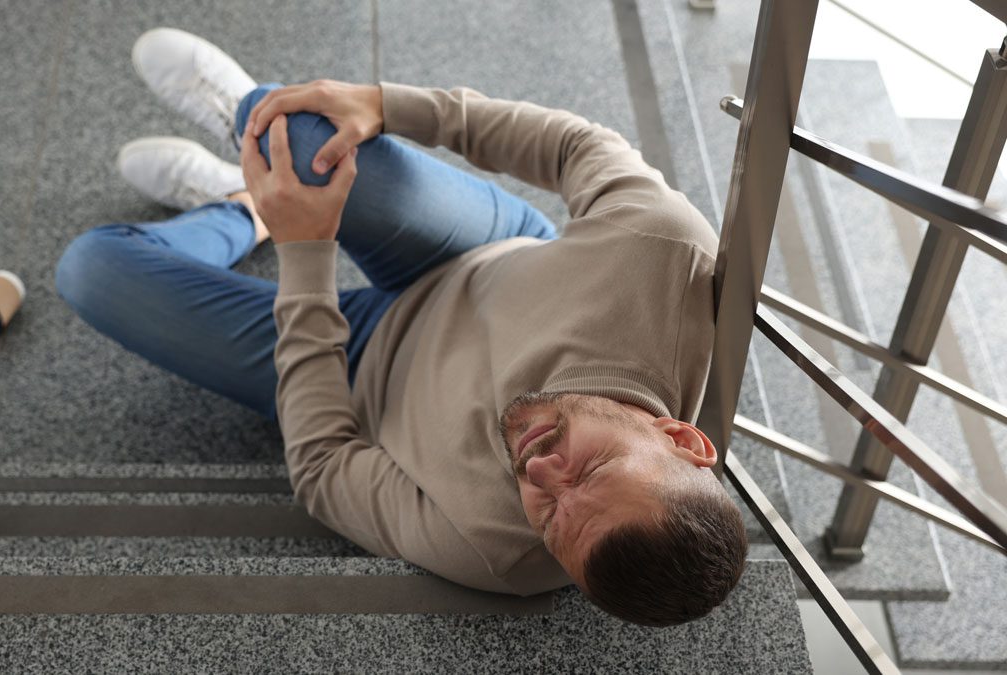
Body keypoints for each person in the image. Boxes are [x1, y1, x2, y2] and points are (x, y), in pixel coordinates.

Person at [55, 27, 748, 628]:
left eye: (549, 517)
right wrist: (391, 105)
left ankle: (246, 212)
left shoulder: (497, 555)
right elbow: (576, 147)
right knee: (301, 129)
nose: (538, 472)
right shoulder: (666, 257)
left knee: (89, 270)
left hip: (362, 367)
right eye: (591, 468)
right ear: (680, 437)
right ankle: (254, 150)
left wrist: (305, 251)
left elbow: (325, 472)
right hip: (479, 257)